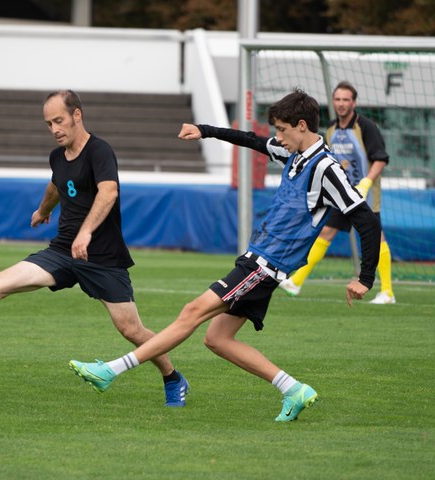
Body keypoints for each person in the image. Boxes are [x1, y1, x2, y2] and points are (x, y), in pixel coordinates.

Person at [69, 89, 381, 422]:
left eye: (282, 130)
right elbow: (251, 139)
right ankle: (293, 389)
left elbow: (366, 218)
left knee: (191, 311)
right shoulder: (293, 153)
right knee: (217, 339)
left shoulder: (326, 168)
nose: (277, 138)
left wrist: (364, 278)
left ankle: (111, 371)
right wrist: (205, 130)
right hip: (260, 261)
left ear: (301, 126)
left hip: (263, 266)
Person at [0, 89, 188, 407]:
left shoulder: (99, 151)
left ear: (77, 115)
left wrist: (86, 233)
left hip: (104, 258)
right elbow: (56, 182)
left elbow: (109, 193)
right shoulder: (57, 156)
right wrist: (43, 210)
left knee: (131, 329)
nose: (54, 129)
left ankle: (173, 377)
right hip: (62, 251)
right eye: (49, 123)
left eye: (59, 121)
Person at [279, 81, 395, 304]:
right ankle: (295, 282)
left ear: (354, 103)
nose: (341, 104)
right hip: (340, 193)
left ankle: (387, 291)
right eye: (338, 99)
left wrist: (366, 183)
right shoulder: (331, 129)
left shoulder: (366, 126)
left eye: (346, 100)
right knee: (326, 232)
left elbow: (380, 158)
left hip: (364, 195)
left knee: (376, 236)